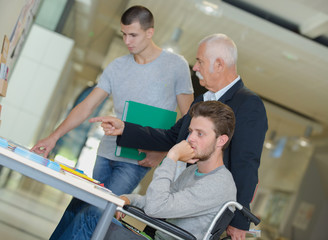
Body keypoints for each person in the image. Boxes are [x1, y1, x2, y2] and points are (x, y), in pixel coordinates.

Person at [31, 5, 194, 239]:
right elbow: (86, 106)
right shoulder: (117, 66)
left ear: (150, 32)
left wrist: (162, 152)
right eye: (124, 34)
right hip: (106, 153)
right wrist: (53, 137)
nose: (127, 41)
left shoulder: (176, 66)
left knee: (95, 213)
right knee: (78, 207)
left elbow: (188, 117)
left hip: (137, 159)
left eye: (133, 35)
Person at [91, 33, 268, 240]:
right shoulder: (202, 100)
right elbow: (172, 136)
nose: (195, 68)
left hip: (202, 206)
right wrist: (126, 128)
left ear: (219, 64)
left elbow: (246, 164)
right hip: (176, 195)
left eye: (200, 61)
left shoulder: (248, 104)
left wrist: (238, 221)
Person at [59, 101, 237, 240]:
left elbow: (156, 207)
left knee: (92, 218)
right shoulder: (193, 172)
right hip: (153, 235)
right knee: (89, 213)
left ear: (221, 141)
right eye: (190, 131)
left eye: (200, 134)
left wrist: (171, 157)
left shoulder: (218, 184)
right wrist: (129, 199)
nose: (190, 139)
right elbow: (159, 200)